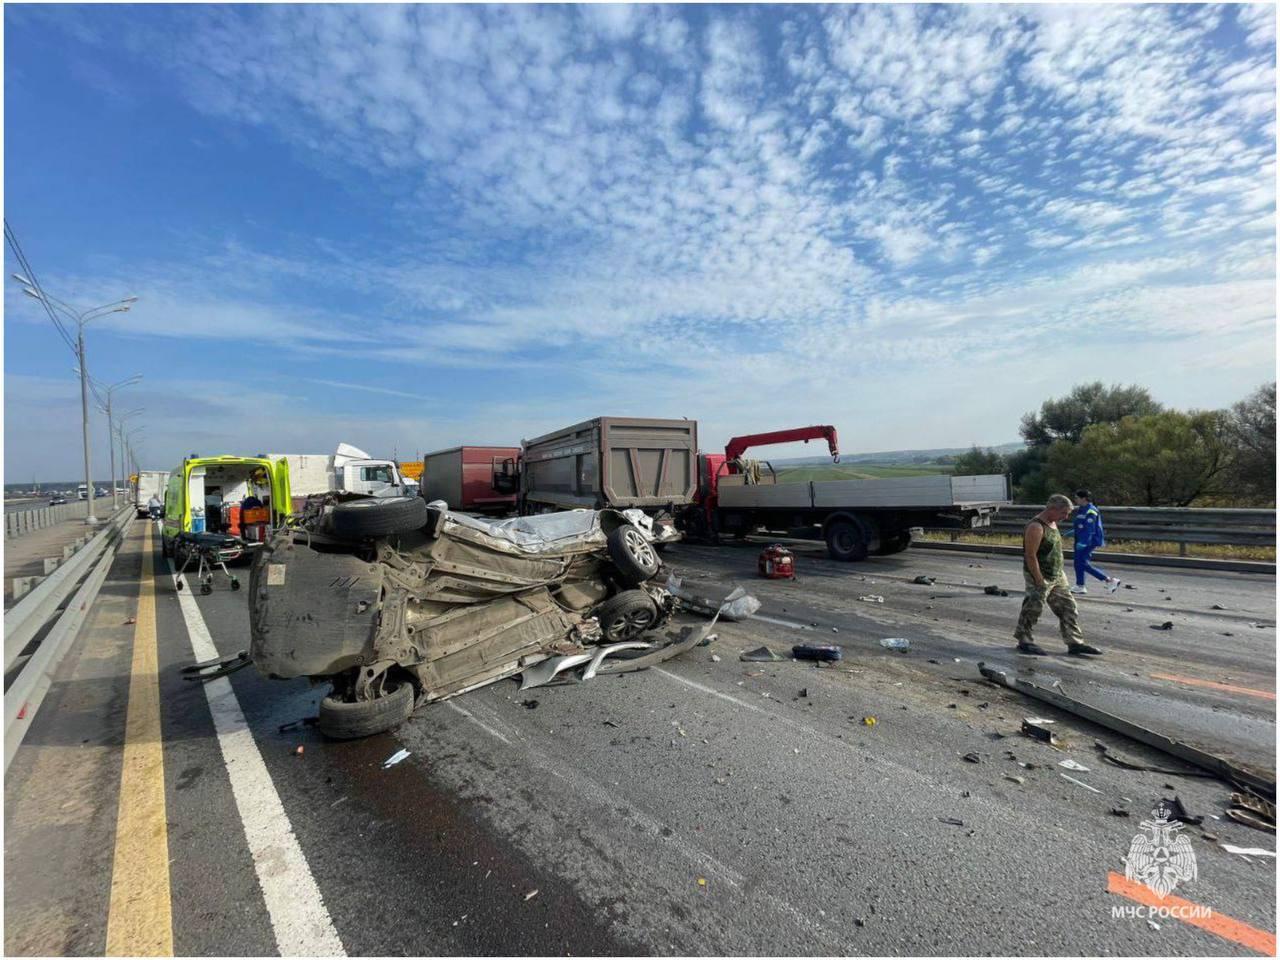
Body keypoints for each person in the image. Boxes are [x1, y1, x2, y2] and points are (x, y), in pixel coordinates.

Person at [1015, 493, 1103, 657]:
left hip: (1057, 575)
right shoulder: (1036, 527)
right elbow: (1030, 556)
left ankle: (1075, 643)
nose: (1066, 517)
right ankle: (1024, 640)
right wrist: (1039, 579)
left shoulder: (1053, 523)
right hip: (1040, 575)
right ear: (1053, 509)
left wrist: (1060, 573)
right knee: (1033, 608)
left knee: (1069, 607)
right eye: (1064, 513)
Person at [1070, 489, 1120, 595]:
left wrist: (1083, 542)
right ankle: (1080, 585)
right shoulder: (1082, 509)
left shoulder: (1091, 510)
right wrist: (1075, 531)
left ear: (1083, 499)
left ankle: (1109, 580)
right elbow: (1081, 524)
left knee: (1082, 563)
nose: (1075, 500)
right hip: (1080, 539)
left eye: (1076, 498)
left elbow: (1090, 529)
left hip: (1088, 541)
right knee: (1078, 563)